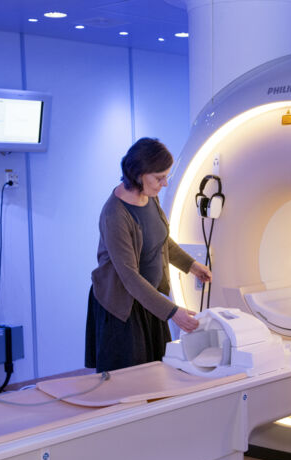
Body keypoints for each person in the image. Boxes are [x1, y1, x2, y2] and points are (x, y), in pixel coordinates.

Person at [85, 137, 212, 372]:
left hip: (150, 301)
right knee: (130, 381)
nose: (164, 183)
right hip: (123, 310)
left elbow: (161, 240)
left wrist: (192, 265)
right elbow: (130, 277)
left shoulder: (149, 198)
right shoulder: (115, 215)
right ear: (138, 174)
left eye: (165, 176)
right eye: (159, 177)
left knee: (156, 373)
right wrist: (173, 312)